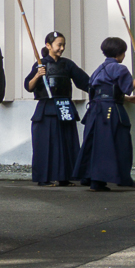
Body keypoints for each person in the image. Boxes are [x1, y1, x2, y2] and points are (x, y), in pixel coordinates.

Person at [76, 37, 135, 192]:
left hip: (95, 110)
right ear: (120, 53)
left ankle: (94, 180)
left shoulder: (98, 69)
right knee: (120, 143)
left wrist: (126, 99)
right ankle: (122, 178)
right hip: (111, 111)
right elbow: (127, 87)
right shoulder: (120, 69)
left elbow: (99, 91)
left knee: (97, 145)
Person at [25, 32, 89, 186]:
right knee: (46, 143)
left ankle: (64, 177)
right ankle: (44, 178)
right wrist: (38, 76)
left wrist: (100, 91)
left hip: (64, 105)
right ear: (48, 46)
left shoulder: (68, 64)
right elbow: (28, 86)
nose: (62, 48)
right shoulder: (40, 64)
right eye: (59, 45)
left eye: (63, 45)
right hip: (47, 106)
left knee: (66, 142)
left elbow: (85, 82)